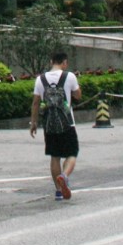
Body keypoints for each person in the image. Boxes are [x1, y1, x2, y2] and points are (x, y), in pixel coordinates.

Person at [30, 50, 82, 201]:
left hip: (49, 124)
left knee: (55, 156)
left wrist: (34, 122)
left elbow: (35, 103)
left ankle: (58, 191)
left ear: (51, 62)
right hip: (67, 123)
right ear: (64, 62)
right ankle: (64, 176)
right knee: (72, 153)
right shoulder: (69, 76)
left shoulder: (40, 79)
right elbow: (78, 95)